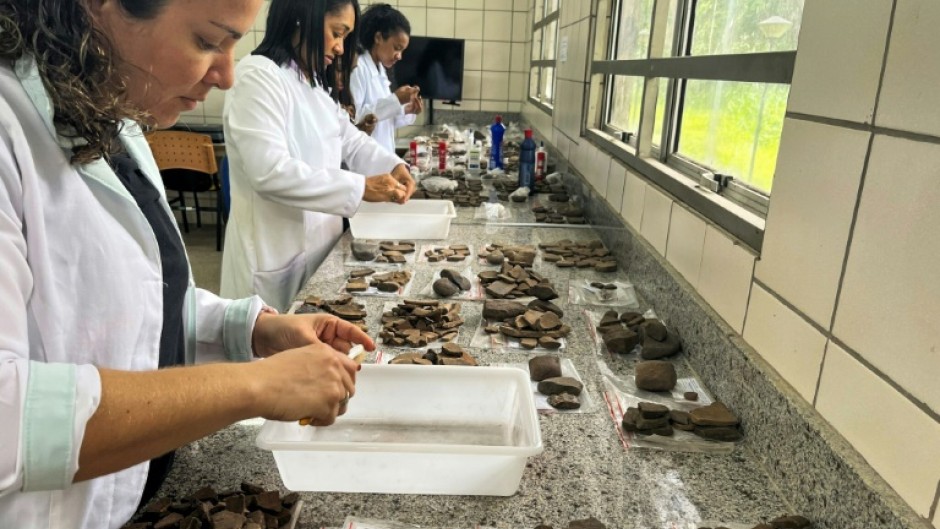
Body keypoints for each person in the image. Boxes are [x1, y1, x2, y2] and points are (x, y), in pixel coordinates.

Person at [0, 1, 374, 527]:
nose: (226, 75)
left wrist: (252, 329)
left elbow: (130, 296)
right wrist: (257, 386)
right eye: (207, 41)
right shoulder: (9, 130)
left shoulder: (112, 116)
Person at [221, 0, 416, 311]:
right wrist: (360, 187)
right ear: (303, 18)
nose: (340, 48)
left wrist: (393, 165)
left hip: (318, 252)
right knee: (269, 354)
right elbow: (270, 172)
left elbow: (349, 139)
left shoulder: (311, 83)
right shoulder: (257, 77)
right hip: (273, 257)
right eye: (337, 33)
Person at [350, 3, 423, 154]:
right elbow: (354, 119)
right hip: (364, 161)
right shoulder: (359, 67)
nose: (399, 56)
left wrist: (407, 110)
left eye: (402, 50)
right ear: (378, 37)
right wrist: (395, 100)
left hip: (382, 157)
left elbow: (384, 122)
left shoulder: (381, 69)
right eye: (396, 48)